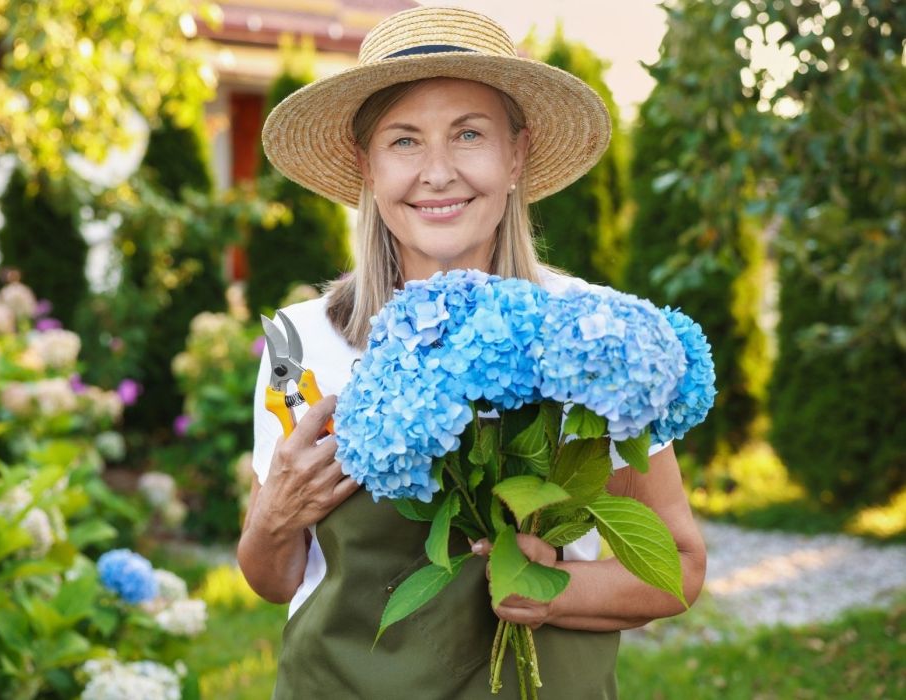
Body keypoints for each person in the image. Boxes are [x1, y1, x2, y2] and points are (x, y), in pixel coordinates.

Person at [238, 7, 706, 699]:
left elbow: (678, 568)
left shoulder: (590, 338)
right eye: (404, 141)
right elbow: (274, 580)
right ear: (367, 167)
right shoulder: (302, 345)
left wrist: (553, 592)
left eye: (468, 134)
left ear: (515, 155)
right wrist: (275, 514)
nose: (437, 172)